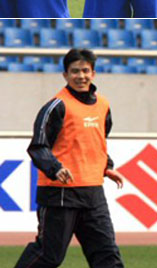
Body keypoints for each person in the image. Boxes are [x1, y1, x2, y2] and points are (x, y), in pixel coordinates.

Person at [14, 48, 125, 268]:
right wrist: (55, 168)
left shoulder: (103, 105)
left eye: (85, 70)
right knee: (49, 255)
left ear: (93, 73)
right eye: (75, 71)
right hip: (60, 192)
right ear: (65, 75)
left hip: (93, 192)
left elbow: (96, 141)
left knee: (107, 255)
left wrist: (106, 166)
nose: (81, 76)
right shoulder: (56, 106)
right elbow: (38, 146)